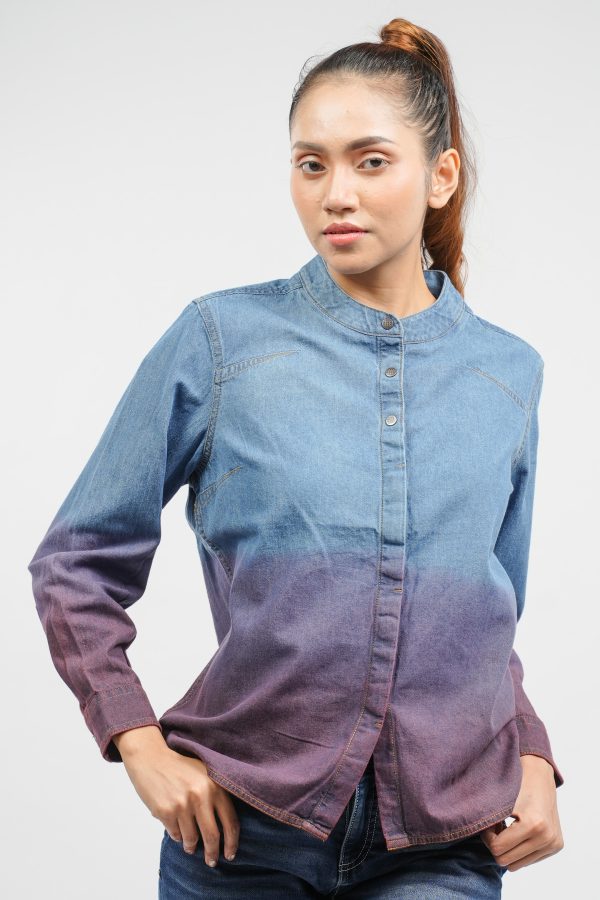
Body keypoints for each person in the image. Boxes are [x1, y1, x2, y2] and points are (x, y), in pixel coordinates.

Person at [28, 16, 565, 899]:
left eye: (371, 161)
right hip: (242, 834)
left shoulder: (508, 374)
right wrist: (138, 742)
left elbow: (483, 617)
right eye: (311, 164)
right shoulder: (223, 341)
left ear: (441, 176)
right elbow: (75, 562)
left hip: (442, 842)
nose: (336, 193)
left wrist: (533, 754)